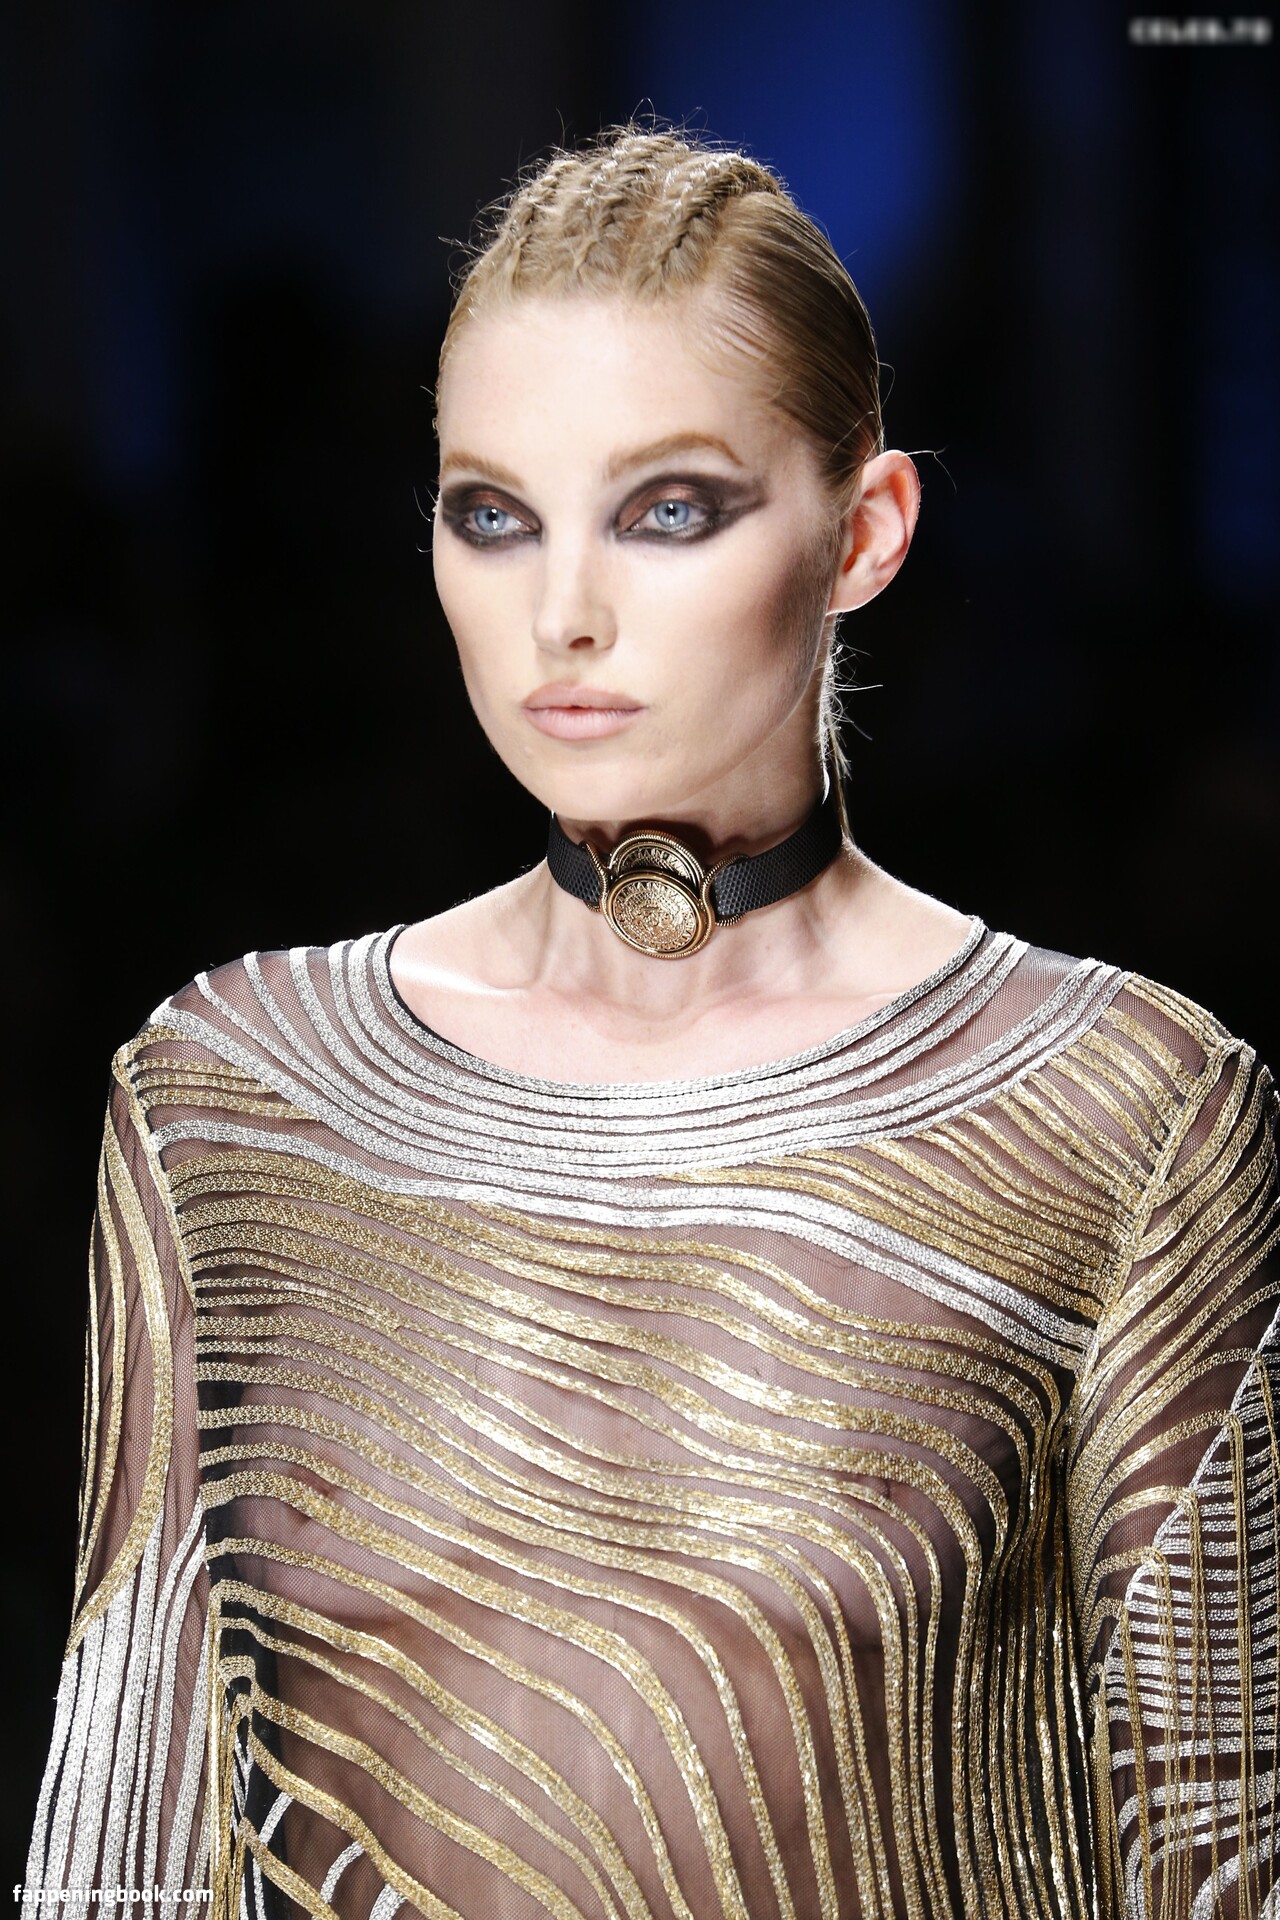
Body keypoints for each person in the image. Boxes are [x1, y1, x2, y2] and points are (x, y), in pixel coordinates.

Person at [23, 123, 1280, 1920]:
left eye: (668, 510)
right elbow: (122, 1848)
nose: (563, 613)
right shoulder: (231, 1102)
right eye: (493, 515)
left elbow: (1225, 1854)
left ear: (864, 533)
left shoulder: (1120, 1112)